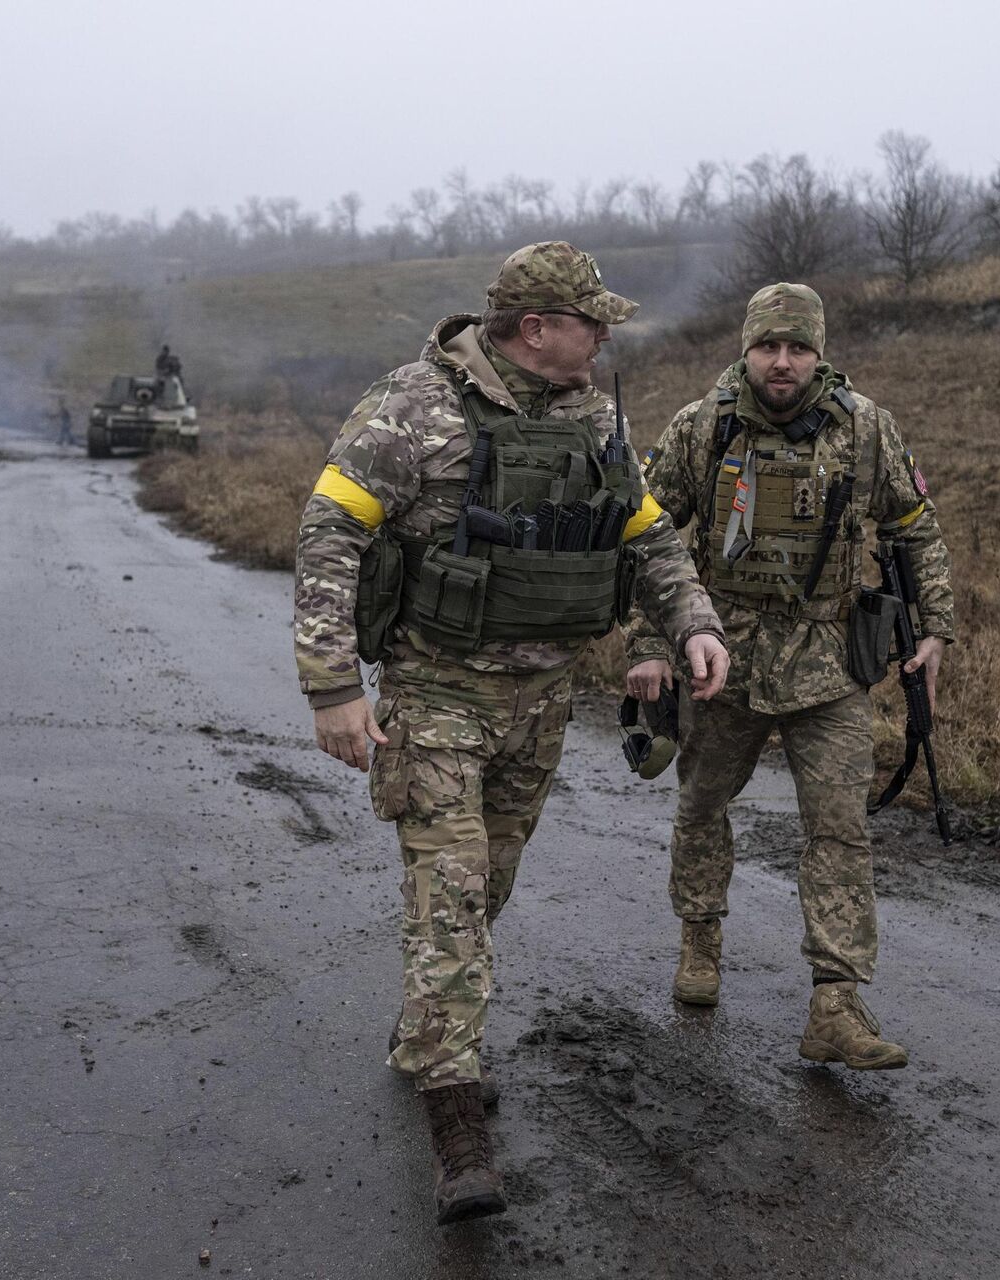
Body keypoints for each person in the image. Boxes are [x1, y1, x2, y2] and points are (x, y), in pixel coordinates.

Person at [293, 242, 729, 1224]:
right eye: (591, 321)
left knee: (485, 882)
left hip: (540, 703)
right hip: (436, 692)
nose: (606, 336)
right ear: (534, 328)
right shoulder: (414, 405)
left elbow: (647, 536)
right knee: (448, 894)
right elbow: (330, 530)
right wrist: (330, 684)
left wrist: (694, 622)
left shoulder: (592, 418)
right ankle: (456, 1123)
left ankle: (425, 1033)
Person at [622, 282, 953, 1071]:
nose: (782, 362)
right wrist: (647, 640)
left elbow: (914, 525)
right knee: (701, 808)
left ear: (819, 352)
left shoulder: (865, 429)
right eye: (769, 346)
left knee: (838, 830)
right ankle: (700, 945)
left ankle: (836, 1004)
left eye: (798, 347)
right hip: (720, 663)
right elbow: (644, 534)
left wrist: (935, 626)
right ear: (746, 347)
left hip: (829, 667)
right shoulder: (702, 427)